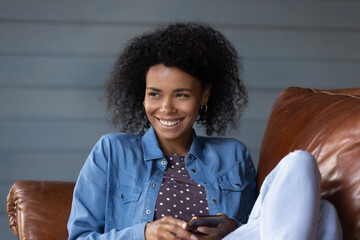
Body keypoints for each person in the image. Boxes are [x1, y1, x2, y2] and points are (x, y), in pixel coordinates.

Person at [67, 22, 342, 240]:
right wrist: (144, 233)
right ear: (142, 96)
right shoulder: (112, 152)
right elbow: (79, 237)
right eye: (155, 94)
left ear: (204, 95)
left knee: (306, 175)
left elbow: (262, 228)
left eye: (181, 95)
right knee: (325, 215)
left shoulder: (233, 155)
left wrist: (230, 227)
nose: (166, 108)